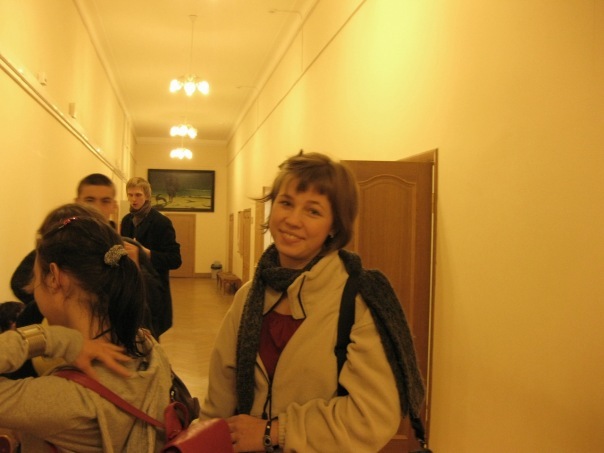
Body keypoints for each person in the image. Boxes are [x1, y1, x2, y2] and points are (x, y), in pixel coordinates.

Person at [200, 151, 426, 452]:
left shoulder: (359, 301)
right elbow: (220, 397)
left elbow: (371, 416)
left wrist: (274, 432)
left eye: (313, 211)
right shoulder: (249, 297)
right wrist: (204, 439)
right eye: (286, 203)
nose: (293, 220)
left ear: (334, 226)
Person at [0, 204, 172, 452]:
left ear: (54, 277)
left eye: (36, 278)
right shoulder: (146, 346)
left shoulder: (65, 399)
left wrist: (53, 338)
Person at [120, 177, 182, 336]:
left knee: (152, 338)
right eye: (130, 195)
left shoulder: (161, 222)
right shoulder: (126, 221)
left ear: (147, 196)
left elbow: (175, 259)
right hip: (131, 289)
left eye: (138, 195)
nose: (134, 199)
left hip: (153, 290)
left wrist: (146, 253)